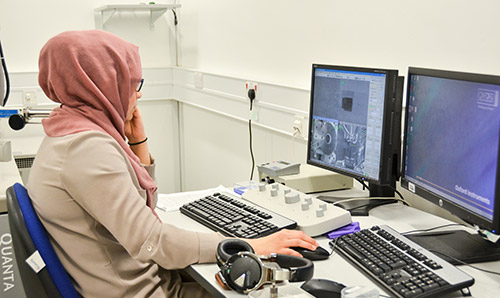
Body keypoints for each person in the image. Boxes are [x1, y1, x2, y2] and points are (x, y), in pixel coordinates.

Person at [28, 30, 319, 298]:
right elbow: (152, 241)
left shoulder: (69, 131)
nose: (138, 93)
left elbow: (140, 211)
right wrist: (248, 245)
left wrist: (137, 144)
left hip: (134, 279)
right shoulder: (86, 149)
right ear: (101, 84)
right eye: (131, 83)